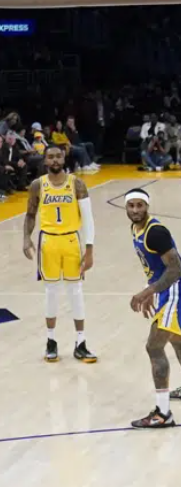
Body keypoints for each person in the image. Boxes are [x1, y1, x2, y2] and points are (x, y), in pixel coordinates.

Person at [125, 189, 181, 429]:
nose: (136, 210)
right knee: (175, 338)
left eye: (140, 206)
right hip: (170, 290)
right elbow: (157, 267)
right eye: (131, 206)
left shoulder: (155, 232)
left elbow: (175, 268)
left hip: (176, 290)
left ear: (147, 207)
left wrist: (148, 292)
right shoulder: (136, 229)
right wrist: (152, 287)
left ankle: (163, 413)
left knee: (154, 346)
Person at [21, 146, 97, 363]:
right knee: (51, 291)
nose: (55, 160)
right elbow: (30, 214)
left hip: (72, 240)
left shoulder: (77, 184)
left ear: (64, 158)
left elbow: (88, 219)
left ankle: (80, 342)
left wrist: (89, 249)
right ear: (45, 161)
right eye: (51, 157)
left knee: (76, 290)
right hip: (48, 242)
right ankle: (51, 341)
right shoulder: (38, 185)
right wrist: (26, 238)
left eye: (58, 156)